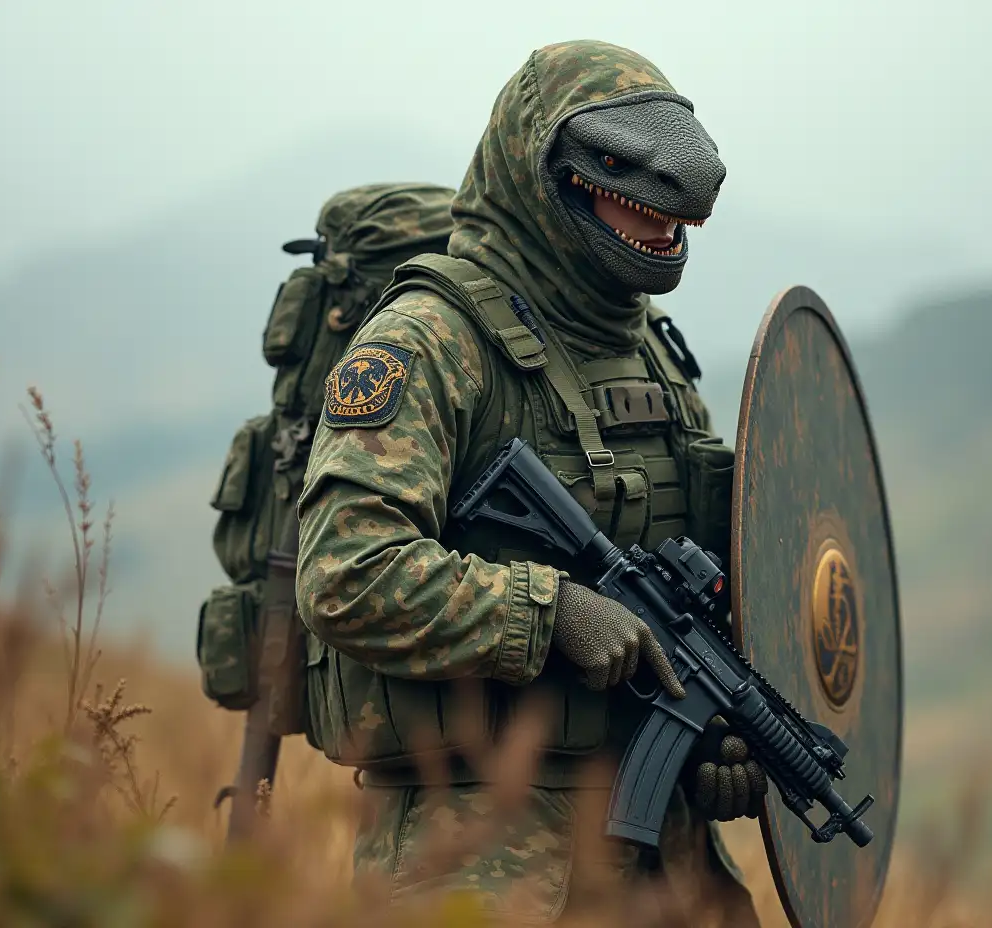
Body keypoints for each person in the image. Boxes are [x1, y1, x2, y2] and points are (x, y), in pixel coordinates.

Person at [295, 39, 764, 925]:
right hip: (479, 851)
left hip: (664, 855)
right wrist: (549, 613)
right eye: (622, 178)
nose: (665, 220)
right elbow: (346, 570)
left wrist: (716, 740)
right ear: (543, 175)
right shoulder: (430, 338)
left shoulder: (655, 354)